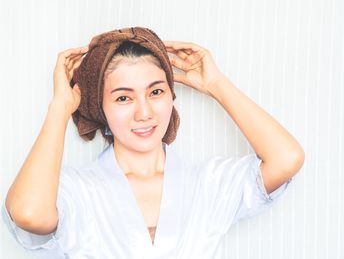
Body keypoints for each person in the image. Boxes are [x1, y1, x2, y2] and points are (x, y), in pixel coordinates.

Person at [1, 27, 304, 259]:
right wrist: (59, 108)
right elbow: (28, 212)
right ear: (99, 107)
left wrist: (216, 85)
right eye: (123, 97)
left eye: (156, 92)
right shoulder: (76, 191)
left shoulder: (210, 184)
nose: (144, 112)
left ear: (172, 96)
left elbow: (287, 158)